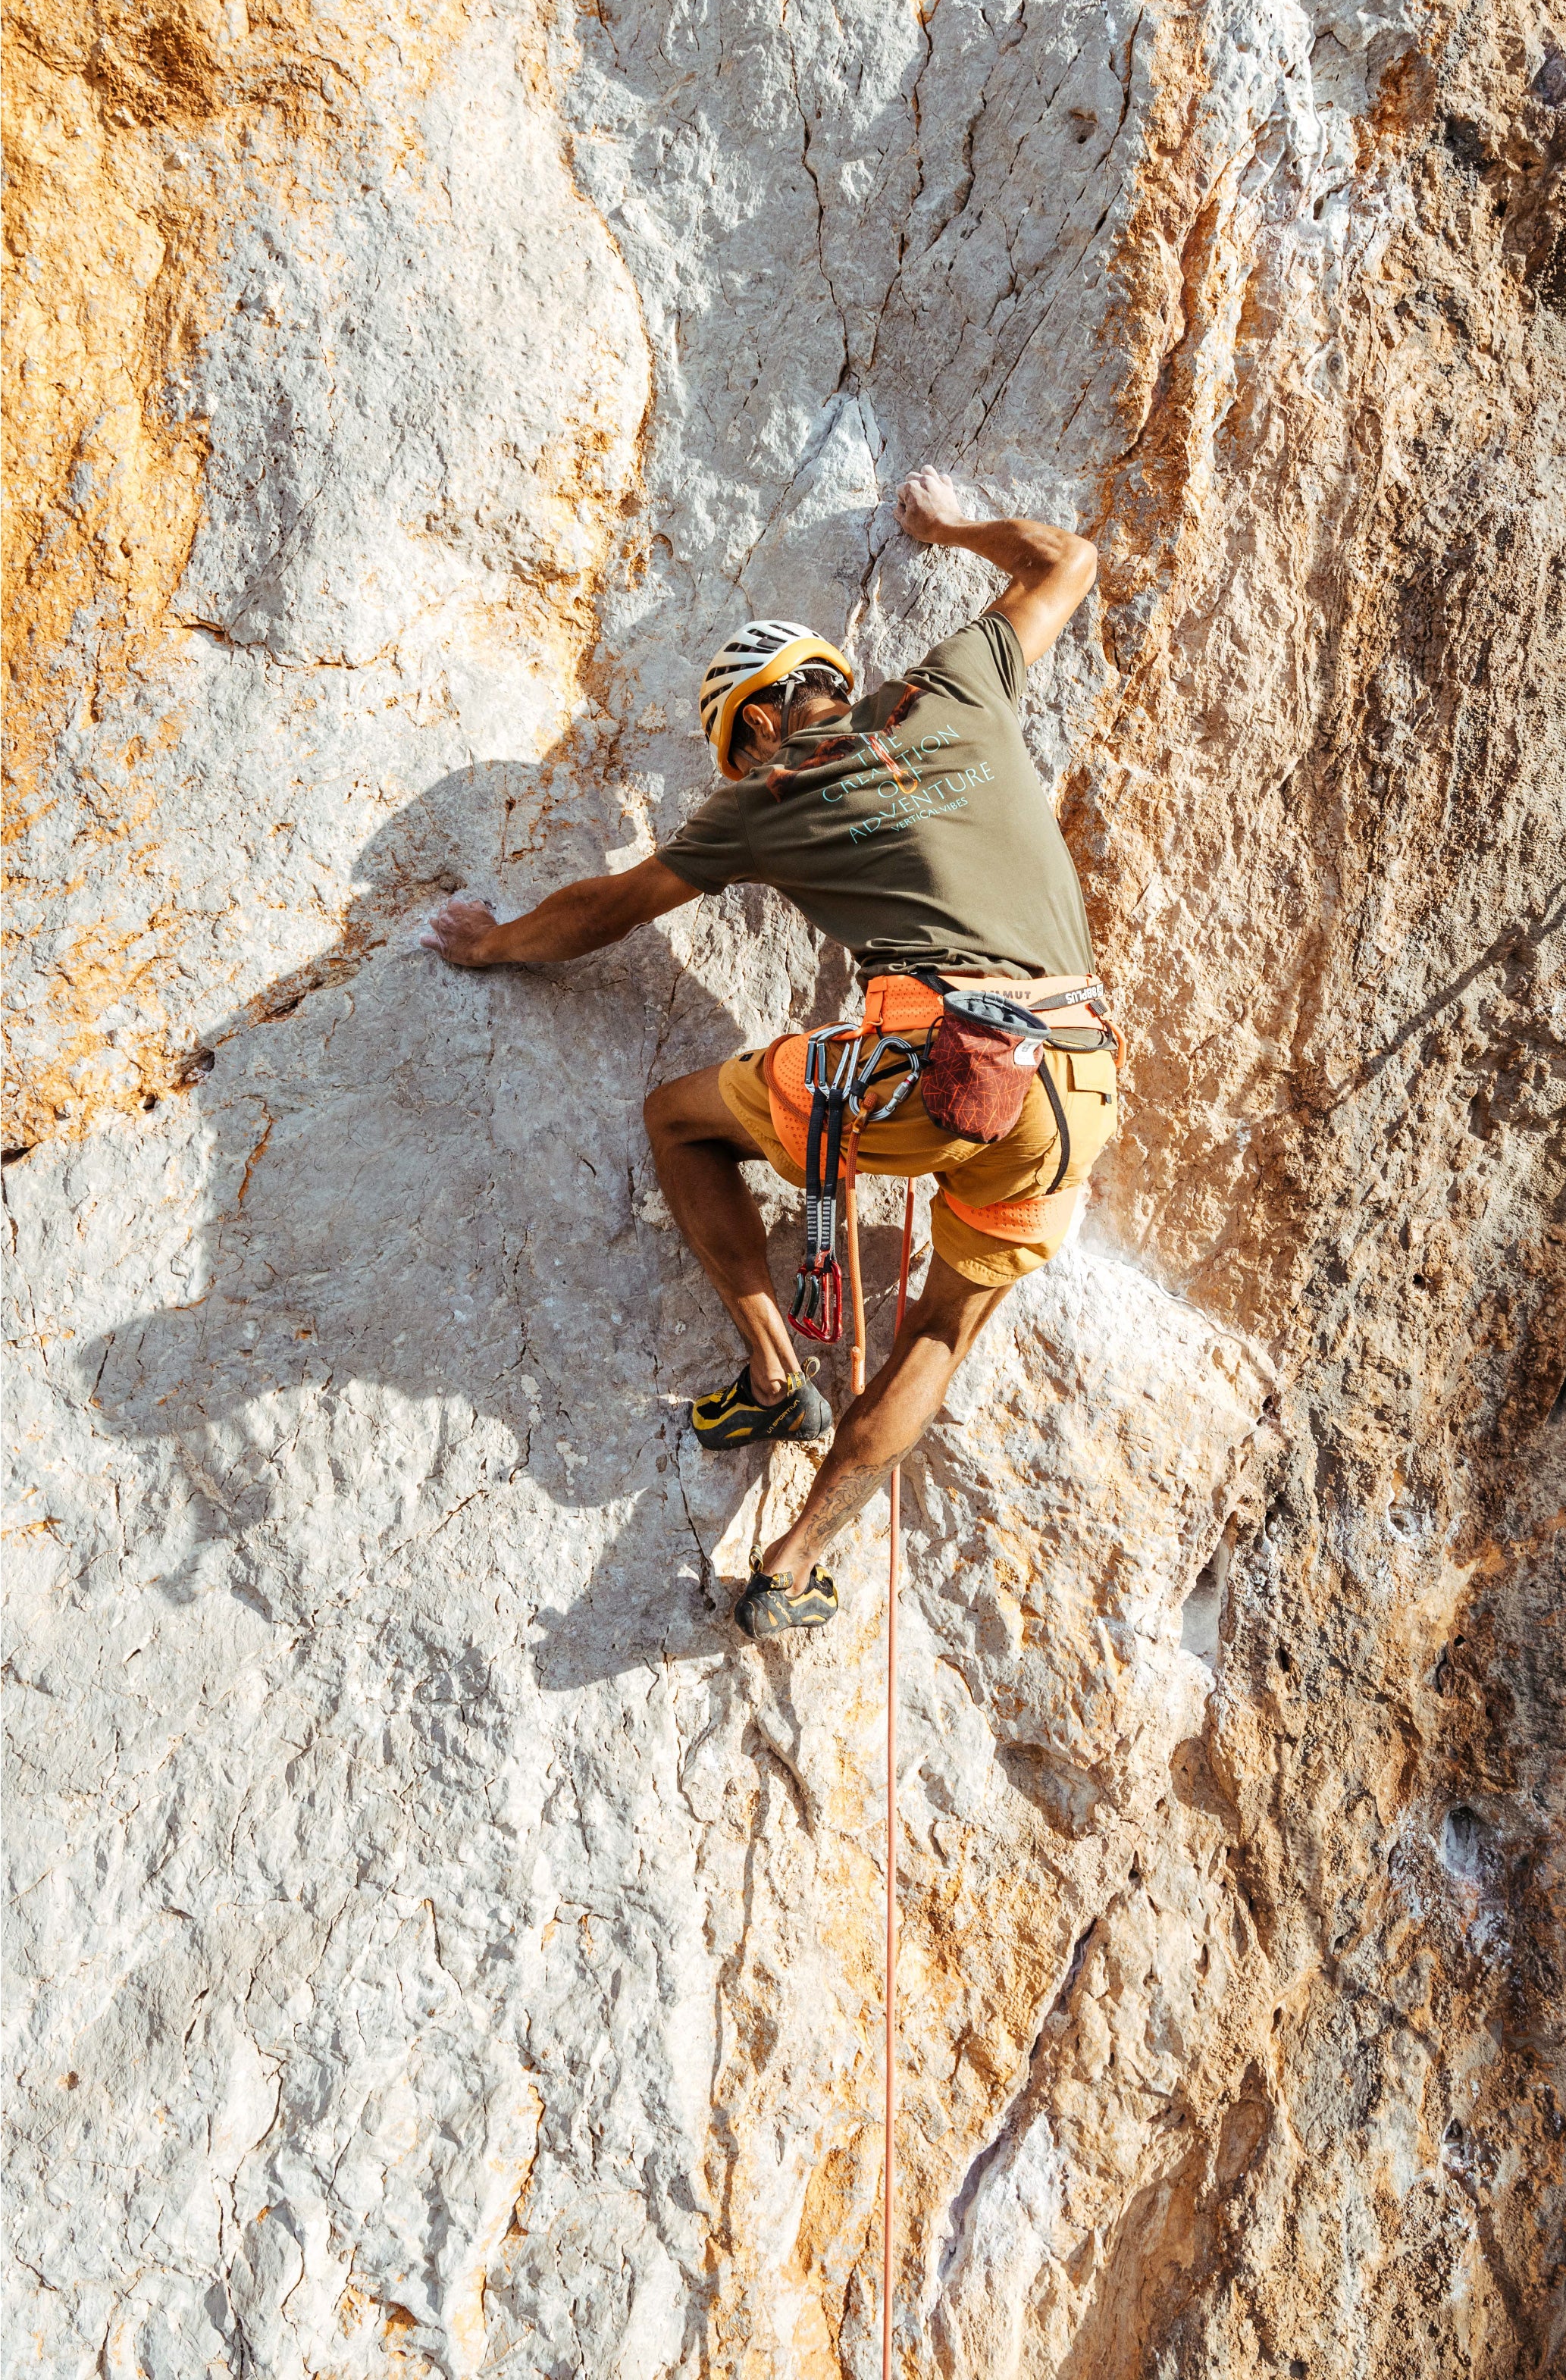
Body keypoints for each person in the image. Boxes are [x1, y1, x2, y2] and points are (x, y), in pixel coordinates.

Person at [422, 465, 1120, 1639]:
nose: (737, 774)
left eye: (733, 751)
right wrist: (950, 529)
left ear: (754, 720)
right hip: (1078, 1084)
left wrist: (495, 946)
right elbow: (1068, 562)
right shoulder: (954, 691)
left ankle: (767, 1370)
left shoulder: (767, 797)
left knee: (676, 1118)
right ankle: (793, 1567)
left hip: (923, 1066)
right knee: (939, 1331)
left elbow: (609, 908)